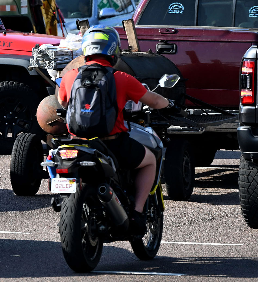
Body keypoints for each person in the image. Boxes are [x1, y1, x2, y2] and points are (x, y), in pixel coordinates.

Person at [57, 27, 174, 234]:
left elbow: (61, 101)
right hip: (111, 143)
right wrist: (168, 103)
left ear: (86, 50)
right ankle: (137, 212)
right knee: (149, 161)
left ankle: (62, 194)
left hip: (76, 142)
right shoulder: (121, 78)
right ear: (113, 51)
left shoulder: (70, 76)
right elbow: (154, 100)